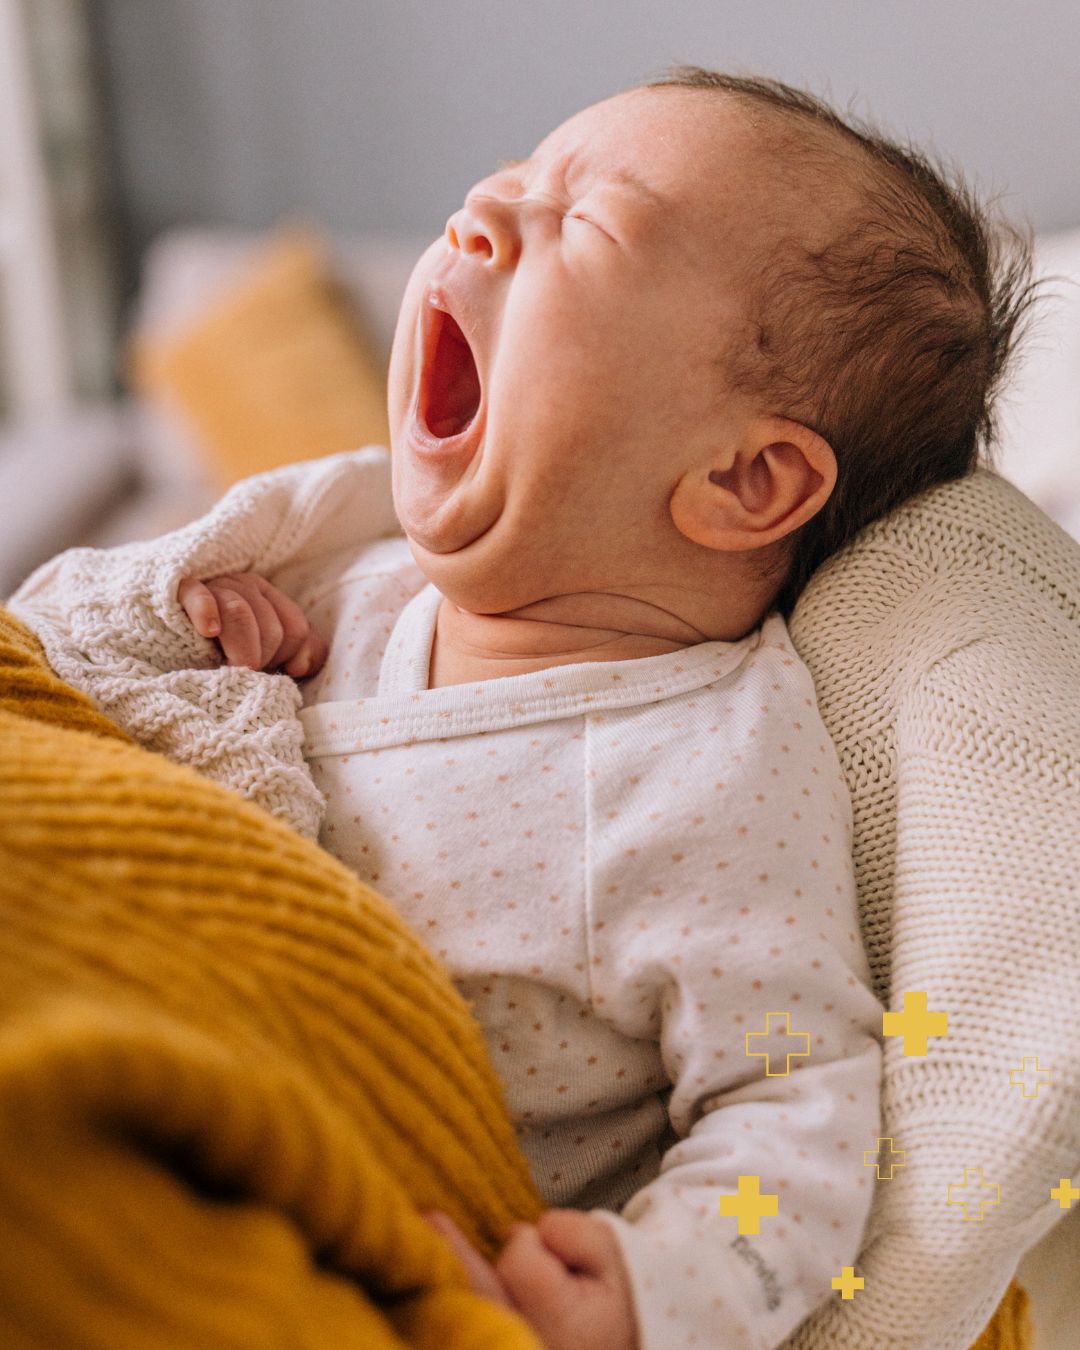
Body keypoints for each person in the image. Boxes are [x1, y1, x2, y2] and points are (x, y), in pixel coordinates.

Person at [9, 66, 1036, 1350]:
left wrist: (653, 1288)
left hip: (358, 1205)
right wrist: (178, 634)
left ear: (746, 476)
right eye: (510, 181)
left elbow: (801, 1108)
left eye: (585, 224)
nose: (480, 216)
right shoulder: (342, 566)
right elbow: (47, 656)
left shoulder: (708, 769)